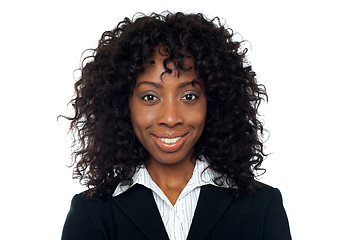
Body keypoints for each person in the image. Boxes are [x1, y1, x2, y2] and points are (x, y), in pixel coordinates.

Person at [61, 11, 291, 240]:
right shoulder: (92, 213)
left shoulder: (262, 207)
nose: (170, 118)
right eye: (150, 97)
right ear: (122, 105)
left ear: (214, 102)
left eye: (189, 96)